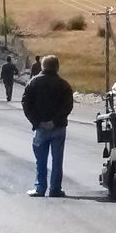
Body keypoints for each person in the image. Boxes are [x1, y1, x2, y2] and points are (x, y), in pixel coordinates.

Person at [21, 54, 74, 198]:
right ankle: (55, 189)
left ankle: (40, 188)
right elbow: (68, 105)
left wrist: (37, 121)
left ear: (42, 66)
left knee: (41, 160)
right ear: (57, 67)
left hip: (40, 128)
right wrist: (55, 121)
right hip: (58, 127)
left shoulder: (33, 83)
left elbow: (26, 104)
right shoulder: (64, 84)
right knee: (57, 160)